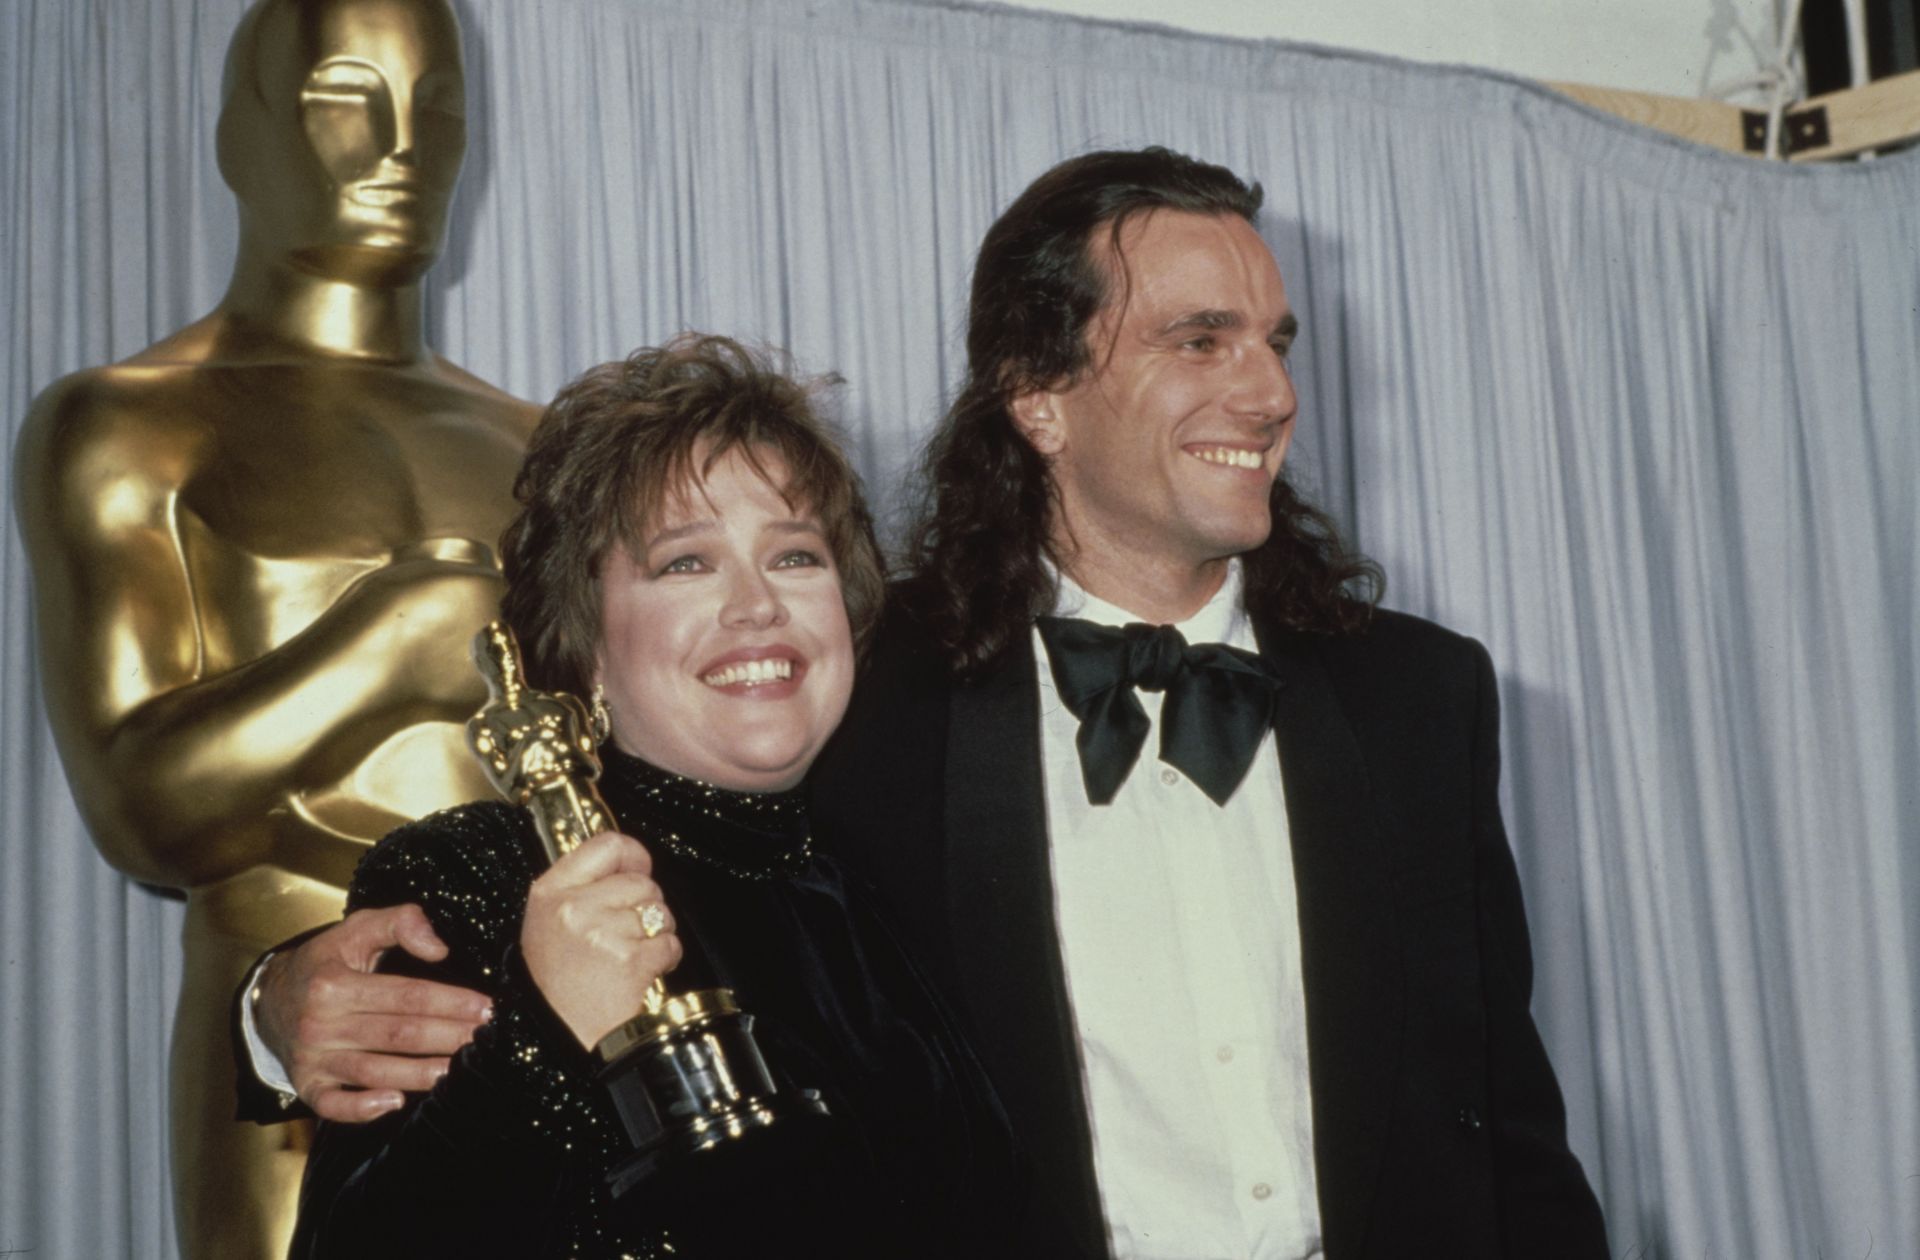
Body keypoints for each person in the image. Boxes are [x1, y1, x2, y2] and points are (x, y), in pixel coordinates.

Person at [245, 148, 1610, 1258]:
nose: (1269, 389)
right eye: (1202, 340)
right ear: (1038, 398)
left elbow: (1507, 1127)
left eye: (1273, 339)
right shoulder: (876, 706)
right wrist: (278, 1005)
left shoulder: (1422, 700)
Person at [288, 335, 1014, 1258]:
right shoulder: (483, 875)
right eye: (685, 563)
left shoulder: (880, 882)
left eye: (796, 556)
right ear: (586, 643)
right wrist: (546, 1032)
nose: (758, 605)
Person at [12, 0, 527, 1254]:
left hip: (550, 1006)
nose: (402, 146)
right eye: (347, 99)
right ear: (241, 138)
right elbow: (140, 808)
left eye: (439, 110)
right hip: (295, 1022)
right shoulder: (128, 426)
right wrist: (392, 643)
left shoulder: (543, 442)